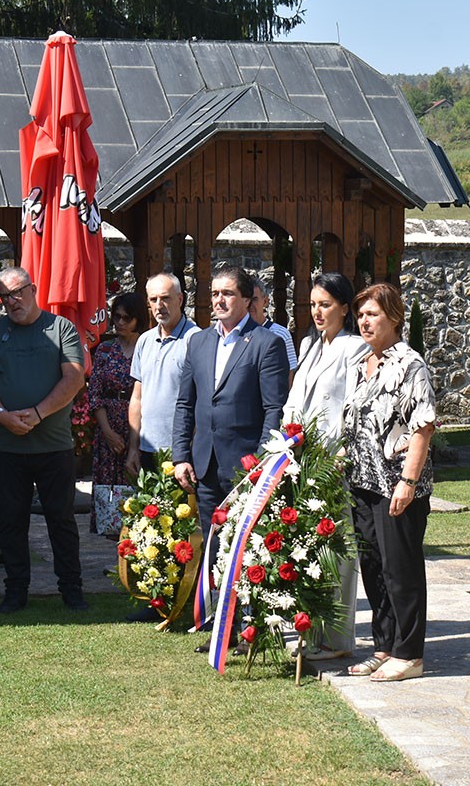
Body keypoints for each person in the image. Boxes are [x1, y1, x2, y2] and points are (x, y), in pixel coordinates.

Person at [172, 265, 289, 651]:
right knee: (214, 546)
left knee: (247, 546)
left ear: (247, 300)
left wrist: (259, 460)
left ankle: (251, 629)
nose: (219, 301)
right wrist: (181, 455)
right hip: (203, 465)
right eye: (214, 293)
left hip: (245, 469)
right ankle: (222, 625)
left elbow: (274, 408)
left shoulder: (265, 343)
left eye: (228, 294)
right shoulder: (199, 342)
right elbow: (185, 404)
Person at [0, 266, 87, 613]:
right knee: (10, 521)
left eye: (17, 292)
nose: (12, 301)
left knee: (61, 519)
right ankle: (15, 590)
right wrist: (1, 416)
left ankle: (71, 589)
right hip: (6, 445)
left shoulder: (61, 328)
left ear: (33, 289)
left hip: (53, 445)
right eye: (5, 296)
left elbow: (74, 379)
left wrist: (37, 413)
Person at [340, 282, 435, 683]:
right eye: (360, 313)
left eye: (372, 313)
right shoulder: (361, 363)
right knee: (374, 567)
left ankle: (409, 652)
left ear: (394, 317)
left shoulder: (410, 364)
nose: (364, 320)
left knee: (401, 568)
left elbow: (423, 428)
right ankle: (384, 646)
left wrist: (408, 481)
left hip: (396, 484)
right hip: (363, 481)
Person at [282, 272, 369, 660]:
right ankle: (311, 626)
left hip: (334, 462)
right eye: (313, 304)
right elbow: (295, 398)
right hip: (301, 459)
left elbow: (353, 408)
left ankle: (336, 637)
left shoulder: (355, 349)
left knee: (337, 547)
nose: (318, 312)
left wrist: (340, 456)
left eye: (326, 305)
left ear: (345, 308)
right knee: (307, 545)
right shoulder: (308, 345)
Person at [126, 273, 200, 477]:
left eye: (165, 298)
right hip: (147, 449)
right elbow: (137, 398)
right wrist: (133, 447)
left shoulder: (197, 340)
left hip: (183, 453)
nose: (159, 305)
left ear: (180, 299)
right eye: (153, 299)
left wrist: (189, 450)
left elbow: (204, 399)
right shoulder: (145, 341)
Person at [89, 291, 149, 535]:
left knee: (137, 489)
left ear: (138, 319)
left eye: (127, 318)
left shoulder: (148, 347)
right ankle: (117, 550)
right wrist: (107, 432)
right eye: (117, 317)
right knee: (109, 492)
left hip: (140, 426)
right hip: (109, 426)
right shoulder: (104, 350)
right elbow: (95, 393)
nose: (120, 323)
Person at [251, 279, 298, 380]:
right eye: (247, 300)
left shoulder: (281, 334)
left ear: (265, 301)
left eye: (254, 299)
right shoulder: (237, 333)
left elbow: (289, 373)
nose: (250, 304)